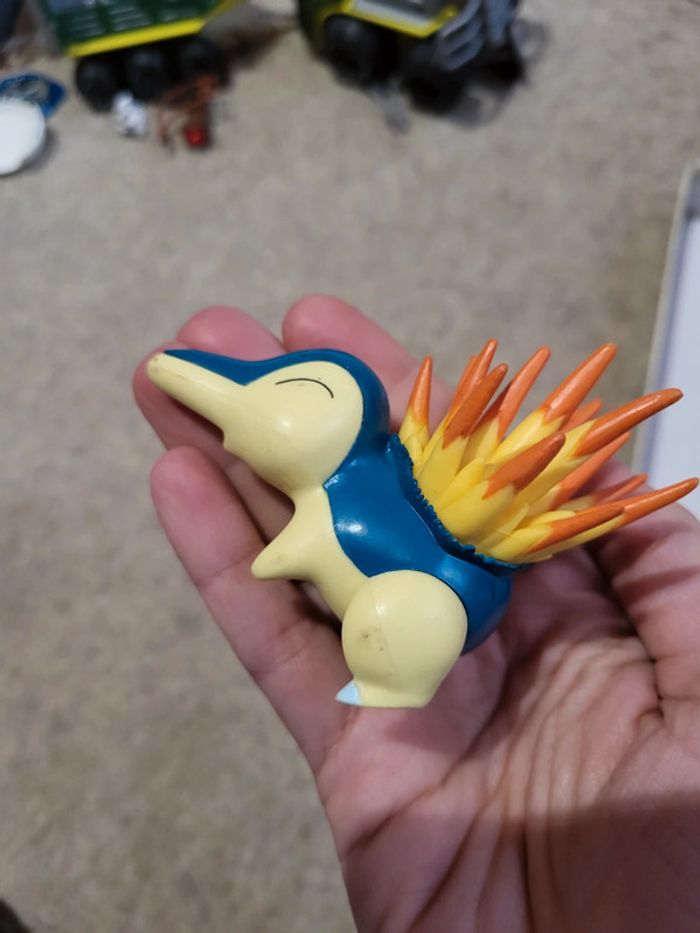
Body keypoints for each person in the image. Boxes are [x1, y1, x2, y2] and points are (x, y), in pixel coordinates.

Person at [133, 295, 700, 933]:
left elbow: (309, 548)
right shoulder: (352, 484)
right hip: (445, 577)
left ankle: (394, 680)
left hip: (437, 598)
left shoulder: (349, 499)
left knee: (402, 616)